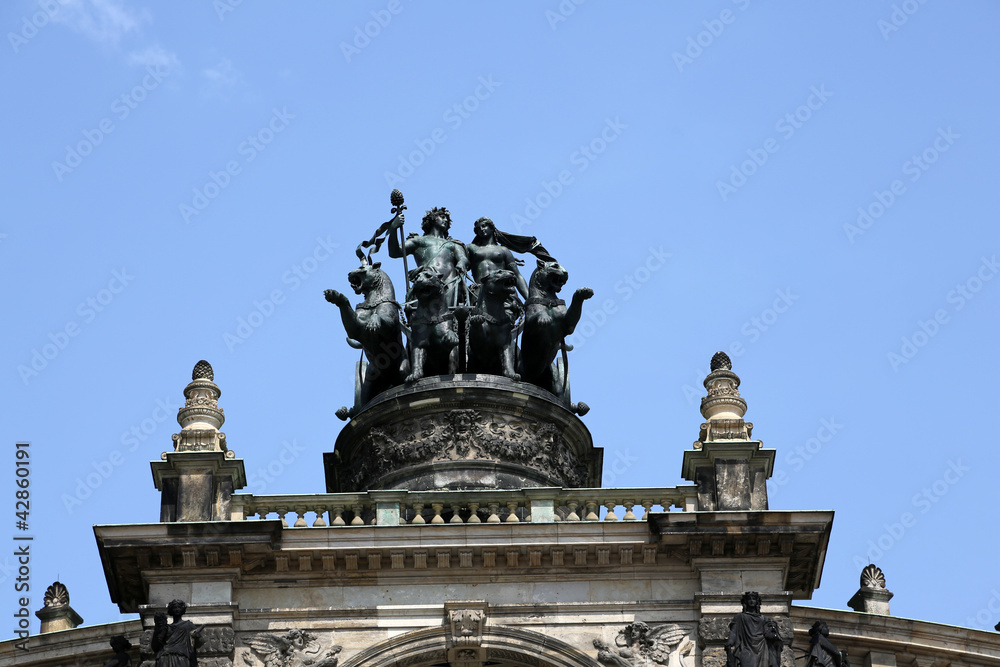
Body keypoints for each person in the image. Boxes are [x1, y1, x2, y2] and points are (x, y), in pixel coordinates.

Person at [389, 207, 469, 307]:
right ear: (432, 218)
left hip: (450, 280)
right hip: (426, 280)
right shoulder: (419, 241)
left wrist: (461, 263)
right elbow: (394, 252)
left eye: (447, 220)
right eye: (442, 217)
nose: (445, 220)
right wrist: (393, 228)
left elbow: (463, 258)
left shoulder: (453, 244)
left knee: (449, 313)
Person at [466, 217, 530, 301]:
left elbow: (517, 275)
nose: (481, 229)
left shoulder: (503, 250)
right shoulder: (471, 248)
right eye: (478, 229)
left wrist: (530, 299)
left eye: (484, 226)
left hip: (503, 291)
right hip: (480, 291)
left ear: (492, 228)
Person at [725, 592, 782, 667]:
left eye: (754, 599)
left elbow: (770, 634)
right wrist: (730, 642)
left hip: (762, 647)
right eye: (749, 599)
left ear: (757, 602)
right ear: (745, 602)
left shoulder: (764, 619)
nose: (751, 601)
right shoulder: (739, 617)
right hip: (745, 646)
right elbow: (734, 632)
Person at [152, 600, 203, 667]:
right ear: (171, 610)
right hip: (164, 657)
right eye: (174, 607)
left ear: (182, 609)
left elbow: (200, 642)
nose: (177, 609)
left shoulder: (188, 625)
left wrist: (197, 636)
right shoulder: (166, 628)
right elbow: (155, 647)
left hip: (181, 657)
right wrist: (157, 629)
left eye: (179, 607)